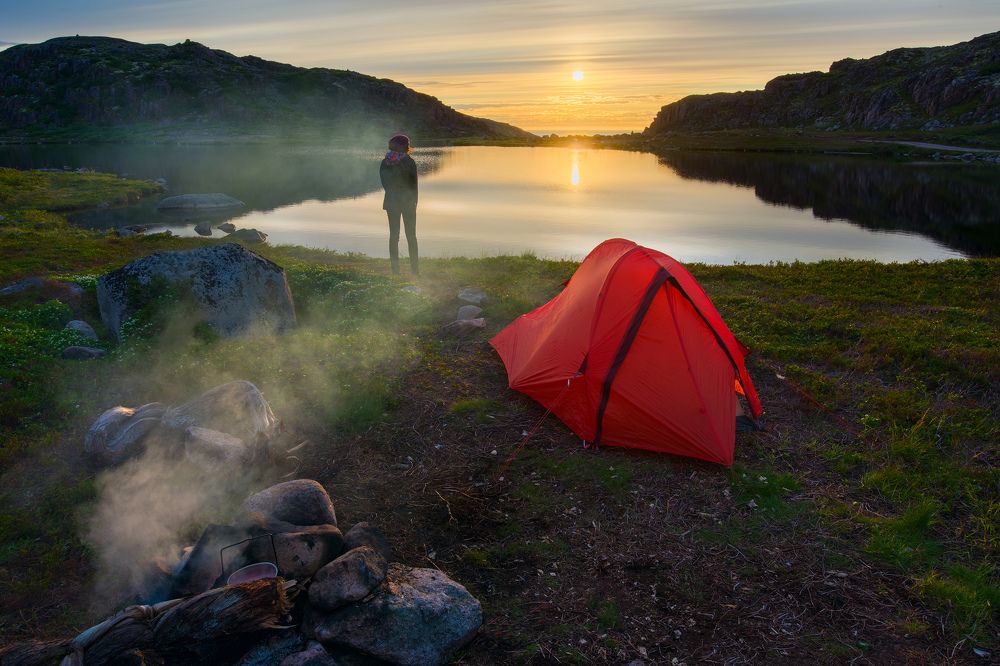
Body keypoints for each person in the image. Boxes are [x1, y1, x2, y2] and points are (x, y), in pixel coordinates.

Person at [379, 134, 419, 275]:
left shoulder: (386, 162)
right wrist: (415, 201)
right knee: (411, 236)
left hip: (391, 202)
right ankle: (415, 270)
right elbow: (414, 185)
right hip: (408, 202)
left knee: (394, 236)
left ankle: (395, 271)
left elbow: (385, 184)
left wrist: (393, 193)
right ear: (405, 146)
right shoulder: (408, 162)